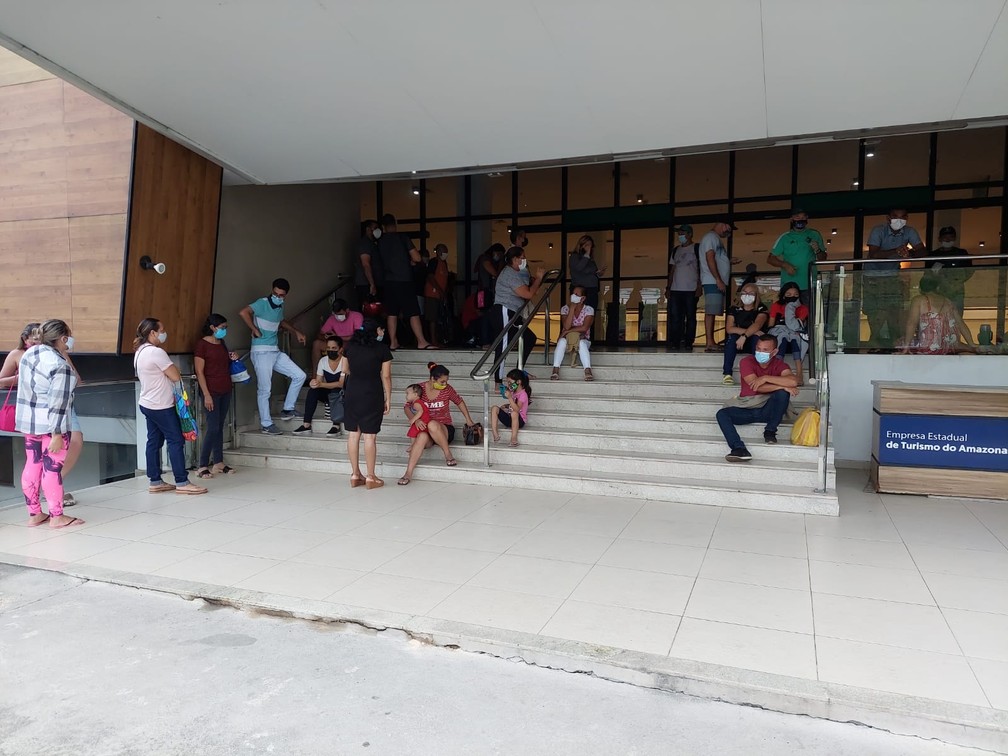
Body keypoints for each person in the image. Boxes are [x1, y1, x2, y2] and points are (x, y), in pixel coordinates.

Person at [15, 320, 83, 528]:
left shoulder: (29, 354)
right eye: (68, 337)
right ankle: (57, 516)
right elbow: (58, 404)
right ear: (63, 338)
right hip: (52, 427)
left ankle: (35, 514)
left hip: (29, 423)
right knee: (52, 469)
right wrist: (56, 435)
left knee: (32, 466)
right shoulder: (59, 365)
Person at [133, 318, 207, 495]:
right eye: (162, 330)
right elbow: (175, 375)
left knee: (154, 441)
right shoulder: (156, 352)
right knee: (176, 440)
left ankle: (155, 481)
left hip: (147, 402)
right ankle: (182, 482)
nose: (163, 334)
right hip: (161, 405)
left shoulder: (139, 351)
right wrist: (176, 369)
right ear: (152, 333)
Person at [239, 277, 307, 435]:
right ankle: (266, 424)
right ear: (272, 290)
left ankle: (288, 409)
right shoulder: (262, 303)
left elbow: (281, 321)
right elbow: (243, 312)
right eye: (275, 293)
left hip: (274, 351)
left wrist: (295, 332)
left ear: (286, 295)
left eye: (281, 295)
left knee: (299, 375)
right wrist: (254, 328)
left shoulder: (279, 305)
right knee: (265, 389)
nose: (277, 297)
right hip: (261, 352)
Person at [716, 334, 800, 462]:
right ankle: (739, 449)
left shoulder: (780, 365)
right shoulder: (746, 361)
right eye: (758, 348)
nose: (760, 352)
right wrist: (781, 386)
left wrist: (765, 378)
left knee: (783, 394)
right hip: (747, 408)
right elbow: (756, 387)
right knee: (722, 414)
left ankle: (770, 431)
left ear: (774, 352)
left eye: (765, 350)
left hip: (768, 410)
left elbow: (793, 381)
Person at [863, 208, 926, 350]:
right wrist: (897, 251)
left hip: (892, 275)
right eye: (895, 217)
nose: (899, 220)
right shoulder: (878, 230)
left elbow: (922, 251)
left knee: (893, 308)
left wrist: (909, 253)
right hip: (873, 276)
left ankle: (894, 341)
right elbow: (873, 254)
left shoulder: (909, 231)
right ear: (888, 218)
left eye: (903, 217)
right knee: (875, 310)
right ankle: (874, 340)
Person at [343, 318, 393, 489]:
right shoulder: (382, 349)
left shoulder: (349, 346)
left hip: (352, 391)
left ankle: (355, 474)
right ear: (376, 330)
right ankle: (371, 477)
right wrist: (388, 397)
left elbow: (344, 370)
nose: (383, 333)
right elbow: (386, 376)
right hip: (372, 393)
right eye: (382, 330)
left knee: (353, 434)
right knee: (369, 436)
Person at [376, 214, 433, 350]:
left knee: (392, 312)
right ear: (395, 224)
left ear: (383, 227)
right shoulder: (402, 238)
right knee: (412, 312)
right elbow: (417, 257)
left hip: (388, 281)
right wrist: (410, 262)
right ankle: (421, 341)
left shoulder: (380, 242)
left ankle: (393, 342)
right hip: (404, 280)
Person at [194, 314, 239, 478]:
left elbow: (224, 363)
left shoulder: (222, 343)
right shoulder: (202, 345)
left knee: (219, 426)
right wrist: (206, 395)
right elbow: (199, 371)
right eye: (222, 328)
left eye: (226, 328)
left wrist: (234, 358)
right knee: (212, 427)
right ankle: (202, 464)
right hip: (210, 391)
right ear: (213, 327)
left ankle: (218, 462)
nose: (224, 330)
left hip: (225, 389)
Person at [494, 239, 544, 382]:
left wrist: (534, 283)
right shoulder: (509, 273)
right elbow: (528, 294)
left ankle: (518, 373)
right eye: (522, 258)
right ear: (515, 259)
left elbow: (528, 291)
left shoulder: (515, 274)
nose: (524, 261)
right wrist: (539, 279)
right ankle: (498, 381)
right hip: (505, 310)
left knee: (528, 338)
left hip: (514, 313)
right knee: (503, 344)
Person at [766, 209, 827, 305]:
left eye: (803, 217)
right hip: (789, 287)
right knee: (789, 315)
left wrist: (818, 250)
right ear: (791, 219)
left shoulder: (814, 234)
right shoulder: (785, 237)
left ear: (807, 218)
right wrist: (785, 265)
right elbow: (770, 259)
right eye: (797, 217)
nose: (800, 220)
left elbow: (823, 258)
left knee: (810, 315)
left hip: (809, 284)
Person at [902, 274, 974, 354]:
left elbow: (911, 323)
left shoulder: (918, 300)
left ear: (920, 289)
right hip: (949, 348)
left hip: (929, 348)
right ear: (937, 288)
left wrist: (906, 347)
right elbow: (961, 324)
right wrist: (972, 345)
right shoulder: (948, 301)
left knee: (898, 342)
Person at [294, 336, 346, 435]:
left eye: (334, 348)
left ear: (340, 349)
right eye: (328, 348)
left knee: (336, 391)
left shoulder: (345, 361)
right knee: (313, 391)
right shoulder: (323, 361)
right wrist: (313, 384)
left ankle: (336, 425)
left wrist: (321, 384)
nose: (330, 350)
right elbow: (318, 382)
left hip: (343, 394)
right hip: (329, 392)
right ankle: (306, 424)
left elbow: (341, 384)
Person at [699, 221, 736, 352]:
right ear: (722, 224)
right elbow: (710, 257)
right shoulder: (711, 237)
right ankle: (710, 342)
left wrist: (728, 261)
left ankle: (711, 341)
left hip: (714, 280)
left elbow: (716, 258)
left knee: (713, 311)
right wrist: (718, 279)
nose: (729, 232)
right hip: (712, 281)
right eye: (729, 228)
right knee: (711, 312)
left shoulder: (714, 239)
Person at [721, 282, 768, 385]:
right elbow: (729, 328)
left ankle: (758, 373)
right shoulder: (734, 309)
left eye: (751, 293)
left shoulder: (761, 308)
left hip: (752, 342)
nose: (747, 295)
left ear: (756, 296)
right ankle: (727, 373)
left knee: (757, 337)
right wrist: (745, 334)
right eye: (745, 292)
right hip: (738, 342)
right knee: (731, 337)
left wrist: (745, 335)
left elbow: (757, 325)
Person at [550, 285, 595, 381]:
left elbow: (584, 328)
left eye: (576, 294)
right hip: (568, 340)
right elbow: (566, 326)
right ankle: (555, 369)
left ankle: (587, 370)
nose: (573, 296)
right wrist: (571, 309)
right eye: (573, 293)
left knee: (582, 343)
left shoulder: (589, 309)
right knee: (562, 341)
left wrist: (567, 331)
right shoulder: (565, 309)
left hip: (583, 338)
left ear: (583, 298)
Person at [666, 224, 700, 351]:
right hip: (676, 290)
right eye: (678, 234)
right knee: (675, 317)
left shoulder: (696, 248)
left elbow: (701, 269)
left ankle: (688, 341)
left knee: (690, 317)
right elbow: (672, 270)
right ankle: (675, 341)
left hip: (691, 289)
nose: (680, 236)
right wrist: (668, 287)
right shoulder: (676, 250)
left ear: (690, 234)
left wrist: (699, 286)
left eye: (682, 233)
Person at [768, 283, 810, 385]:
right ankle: (777, 371)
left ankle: (799, 374)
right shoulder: (776, 306)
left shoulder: (803, 308)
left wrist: (791, 307)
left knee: (794, 338)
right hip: (779, 334)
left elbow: (794, 326)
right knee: (783, 338)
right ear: (783, 295)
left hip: (794, 334)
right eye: (789, 294)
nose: (792, 297)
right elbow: (771, 324)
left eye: (796, 294)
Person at [926, 225, 973, 314]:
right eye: (945, 237)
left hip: (957, 291)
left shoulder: (961, 253)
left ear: (954, 238)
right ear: (939, 239)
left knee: (957, 317)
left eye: (950, 237)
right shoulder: (933, 255)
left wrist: (956, 282)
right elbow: (928, 274)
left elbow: (969, 271)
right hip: (938, 291)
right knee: (939, 316)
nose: (948, 240)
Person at [312, 298, 363, 367]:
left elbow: (358, 336)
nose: (338, 317)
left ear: (347, 310)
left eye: (340, 314)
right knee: (316, 343)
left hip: (352, 344)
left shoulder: (357, 316)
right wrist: (327, 337)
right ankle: (316, 375)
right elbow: (319, 334)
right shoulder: (332, 318)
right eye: (336, 314)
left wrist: (337, 337)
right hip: (335, 344)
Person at [473, 243, 504, 347]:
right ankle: (484, 340)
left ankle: (488, 339)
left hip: (489, 292)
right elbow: (495, 274)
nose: (498, 256)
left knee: (490, 316)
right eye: (498, 254)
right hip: (483, 293)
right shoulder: (485, 259)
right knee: (484, 315)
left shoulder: (490, 260)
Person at [568, 234, 605, 318]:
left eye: (590, 246)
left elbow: (592, 272)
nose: (589, 248)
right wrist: (587, 254)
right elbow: (579, 268)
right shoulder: (575, 257)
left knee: (590, 315)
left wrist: (598, 274)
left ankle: (589, 330)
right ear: (581, 245)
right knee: (580, 315)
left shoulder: (590, 260)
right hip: (581, 290)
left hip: (592, 290)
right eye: (587, 245)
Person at [491, 369, 530, 447]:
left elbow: (517, 409)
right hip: (510, 418)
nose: (508, 385)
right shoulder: (513, 392)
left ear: (518, 382)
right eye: (507, 383)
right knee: (494, 408)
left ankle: (514, 438)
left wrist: (509, 398)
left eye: (510, 382)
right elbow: (513, 404)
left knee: (514, 413)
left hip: (519, 421)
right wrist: (506, 406)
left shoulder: (523, 394)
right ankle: (495, 434)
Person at [424, 243, 450, 346]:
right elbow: (430, 277)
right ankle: (433, 340)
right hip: (432, 294)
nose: (446, 254)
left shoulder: (444, 263)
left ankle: (438, 338)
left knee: (438, 317)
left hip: (440, 295)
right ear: (439, 252)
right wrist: (440, 290)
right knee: (432, 318)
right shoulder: (434, 262)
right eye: (444, 252)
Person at [354, 219, 383, 308]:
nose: (377, 230)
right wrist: (372, 284)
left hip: (371, 283)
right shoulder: (365, 243)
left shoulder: (372, 244)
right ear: (367, 229)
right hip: (366, 285)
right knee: (369, 311)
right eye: (374, 228)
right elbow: (365, 264)